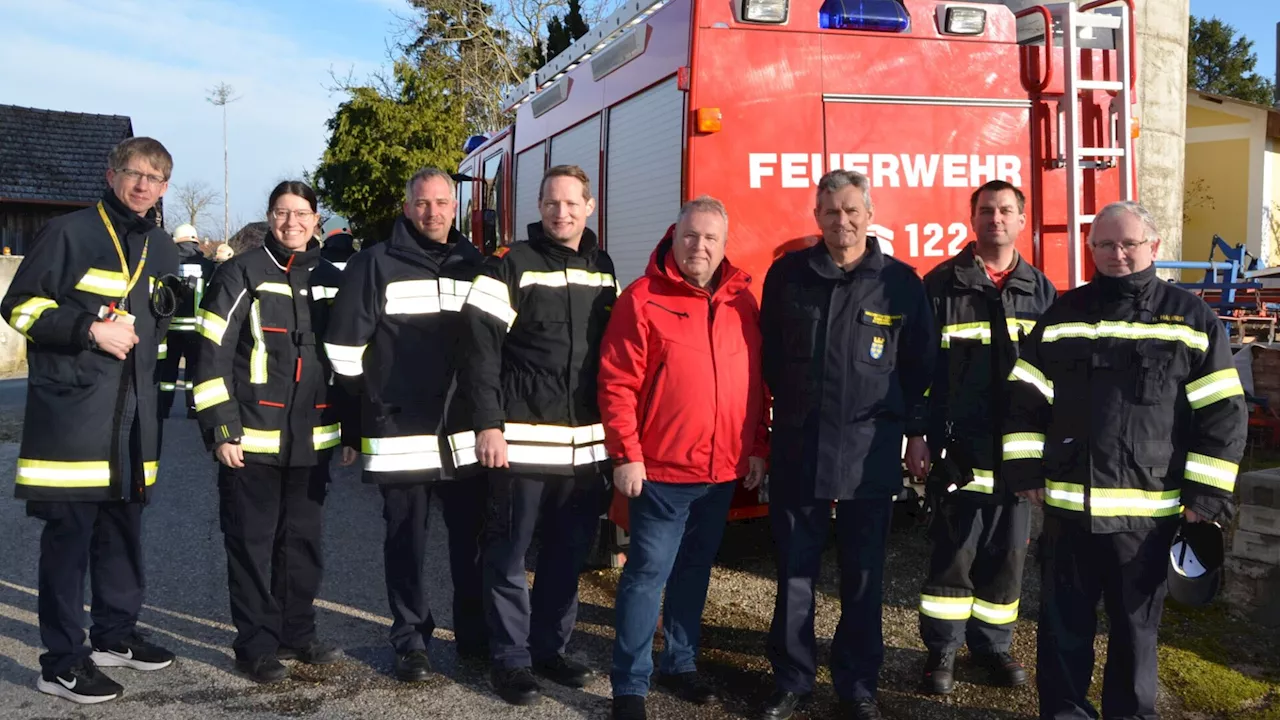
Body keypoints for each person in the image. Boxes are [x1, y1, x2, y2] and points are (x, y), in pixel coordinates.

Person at [1003, 201, 1246, 720]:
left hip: (1147, 515)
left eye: (1128, 244)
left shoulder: (1190, 318)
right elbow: (1025, 396)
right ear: (1090, 250)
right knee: (1062, 626)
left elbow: (1223, 413)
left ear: (1153, 247)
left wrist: (1205, 497)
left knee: (1136, 631)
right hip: (1069, 510)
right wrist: (1024, 471)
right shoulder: (1063, 313)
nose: (1117, 254)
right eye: (1105, 245)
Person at [1, 137, 179, 704]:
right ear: (111, 175)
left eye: (154, 177)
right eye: (133, 173)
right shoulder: (70, 233)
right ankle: (60, 662)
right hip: (73, 415)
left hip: (133, 423)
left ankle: (114, 637)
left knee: (122, 535)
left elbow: (171, 334)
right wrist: (89, 330)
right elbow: (20, 306)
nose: (143, 185)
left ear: (165, 188)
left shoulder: (165, 249)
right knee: (68, 542)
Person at [758, 169, 936, 720]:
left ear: (870, 213)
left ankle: (857, 686)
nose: (843, 221)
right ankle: (792, 679)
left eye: (852, 210)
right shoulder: (787, 277)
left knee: (864, 575)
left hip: (870, 451)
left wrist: (915, 435)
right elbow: (766, 357)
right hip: (799, 445)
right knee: (794, 570)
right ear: (816, 217)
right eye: (831, 211)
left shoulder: (901, 283)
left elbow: (921, 368)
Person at [599, 196, 769, 720]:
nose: (699, 246)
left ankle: (681, 663)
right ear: (675, 237)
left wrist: (759, 447)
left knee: (695, 572)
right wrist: (626, 454)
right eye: (691, 236)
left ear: (724, 245)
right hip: (661, 473)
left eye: (711, 238)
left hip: (721, 474)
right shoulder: (643, 299)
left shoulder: (743, 301)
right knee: (647, 575)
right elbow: (616, 383)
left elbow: (757, 383)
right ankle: (630, 686)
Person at [460, 164, 616, 705]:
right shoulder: (509, 265)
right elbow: (480, 351)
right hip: (520, 444)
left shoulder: (603, 267)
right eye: (551, 202)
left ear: (589, 206)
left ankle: (551, 649)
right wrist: (487, 424)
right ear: (539, 206)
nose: (561, 212)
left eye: (571, 203)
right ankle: (512, 660)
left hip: (585, 450)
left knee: (567, 556)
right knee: (508, 556)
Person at [323, 168, 487, 681]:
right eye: (422, 203)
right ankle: (411, 641)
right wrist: (369, 406)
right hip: (400, 434)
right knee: (407, 544)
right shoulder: (375, 264)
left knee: (472, 543)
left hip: (462, 436)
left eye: (441, 202)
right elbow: (343, 351)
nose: (432, 212)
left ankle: (475, 637)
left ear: (455, 207)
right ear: (406, 205)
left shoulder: (476, 266)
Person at [192, 181, 349, 684]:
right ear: (269, 217)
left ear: (316, 219)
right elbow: (211, 352)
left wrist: (350, 429)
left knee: (302, 543)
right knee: (252, 544)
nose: (291, 222)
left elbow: (345, 359)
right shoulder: (240, 272)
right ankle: (255, 644)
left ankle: (297, 633)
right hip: (251, 440)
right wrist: (221, 429)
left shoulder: (329, 276)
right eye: (282, 213)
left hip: (313, 439)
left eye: (301, 213)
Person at [916, 181, 1056, 694]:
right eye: (985, 210)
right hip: (961, 449)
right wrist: (918, 435)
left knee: (1008, 554)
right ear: (971, 219)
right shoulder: (941, 286)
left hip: (1020, 449)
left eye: (1005, 210)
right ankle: (942, 652)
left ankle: (993, 648)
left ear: (1022, 219)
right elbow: (922, 370)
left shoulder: (1041, 291)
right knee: (954, 552)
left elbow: (1052, 377)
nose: (995, 218)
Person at [156, 223, 214, 419]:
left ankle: (163, 408)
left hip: (169, 327)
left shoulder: (166, 262)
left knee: (168, 369)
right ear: (195, 241)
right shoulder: (208, 266)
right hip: (197, 328)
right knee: (194, 369)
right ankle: (193, 408)